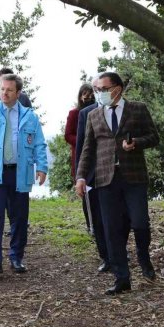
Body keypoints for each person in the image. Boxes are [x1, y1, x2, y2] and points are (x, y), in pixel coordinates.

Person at [75, 72, 159, 295]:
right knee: (111, 229)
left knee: (140, 223)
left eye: (103, 89)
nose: (99, 94)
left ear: (117, 89)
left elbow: (154, 137)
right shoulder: (93, 115)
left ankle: (143, 256)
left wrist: (137, 143)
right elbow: (87, 149)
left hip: (134, 177)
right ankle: (122, 278)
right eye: (97, 90)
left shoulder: (138, 108)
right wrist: (81, 177)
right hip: (105, 179)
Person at [0, 74, 47, 275]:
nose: (4, 93)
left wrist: (42, 167)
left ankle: (16, 257)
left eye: (9, 90)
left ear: (18, 93)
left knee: (19, 217)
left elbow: (39, 143)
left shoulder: (30, 116)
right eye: (2, 89)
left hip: (20, 173)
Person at [75, 76, 113, 273]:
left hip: (115, 174)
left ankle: (118, 251)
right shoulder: (86, 114)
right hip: (93, 175)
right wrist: (79, 176)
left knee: (118, 216)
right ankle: (105, 256)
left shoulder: (125, 111)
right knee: (97, 218)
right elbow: (82, 147)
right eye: (98, 89)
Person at [64, 83, 95, 231]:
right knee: (85, 191)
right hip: (80, 154)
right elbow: (68, 135)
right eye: (84, 94)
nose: (87, 97)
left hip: (96, 156)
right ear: (80, 95)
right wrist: (82, 141)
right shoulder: (74, 113)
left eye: (90, 94)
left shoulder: (97, 110)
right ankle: (90, 224)